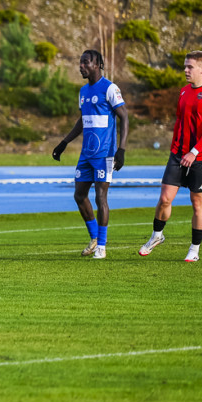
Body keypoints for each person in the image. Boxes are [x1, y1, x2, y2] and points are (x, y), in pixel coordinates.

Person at [139, 50, 202, 262]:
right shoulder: (184, 92)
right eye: (185, 66)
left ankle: (194, 250)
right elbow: (179, 120)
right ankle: (157, 235)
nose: (185, 70)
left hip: (201, 157)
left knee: (197, 204)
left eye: (190, 67)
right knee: (165, 198)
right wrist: (176, 147)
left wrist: (195, 152)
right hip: (178, 155)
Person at [51, 50, 129, 259]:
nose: (81, 66)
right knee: (79, 195)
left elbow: (124, 117)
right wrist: (64, 142)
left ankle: (102, 247)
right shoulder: (83, 91)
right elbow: (82, 121)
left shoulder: (110, 88)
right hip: (86, 154)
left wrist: (121, 150)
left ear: (98, 64)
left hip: (104, 154)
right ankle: (95, 237)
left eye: (85, 62)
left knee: (100, 196)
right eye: (80, 62)